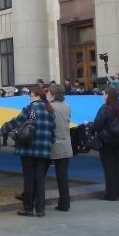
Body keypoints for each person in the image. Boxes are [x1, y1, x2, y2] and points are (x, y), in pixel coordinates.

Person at [0, 85, 55, 216]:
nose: (29, 97)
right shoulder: (50, 110)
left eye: (31, 95)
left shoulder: (31, 108)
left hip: (28, 149)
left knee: (29, 178)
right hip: (44, 149)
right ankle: (40, 210)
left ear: (36, 96)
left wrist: (2, 129)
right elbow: (53, 131)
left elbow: (16, 121)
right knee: (40, 179)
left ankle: (28, 208)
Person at [92, 87, 119, 201]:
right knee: (118, 165)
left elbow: (97, 123)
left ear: (107, 95)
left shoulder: (105, 108)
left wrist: (91, 128)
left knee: (108, 167)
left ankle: (111, 194)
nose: (102, 96)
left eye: (103, 94)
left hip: (106, 140)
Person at [46, 84, 72, 212]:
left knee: (44, 173)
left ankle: (63, 203)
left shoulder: (50, 107)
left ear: (53, 94)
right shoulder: (67, 106)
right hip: (66, 143)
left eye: (48, 92)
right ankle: (65, 202)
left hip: (55, 143)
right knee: (63, 175)